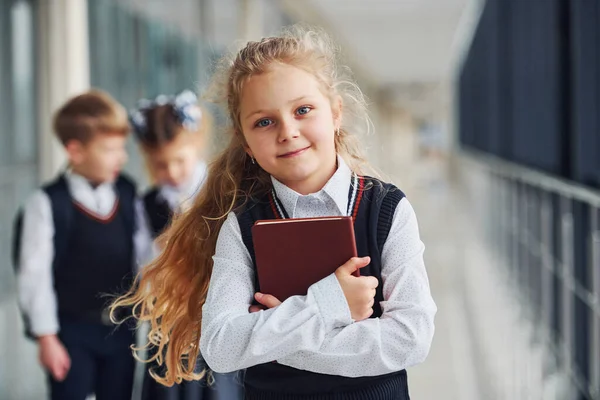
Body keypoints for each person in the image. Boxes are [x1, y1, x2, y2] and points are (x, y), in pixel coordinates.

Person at [112, 25, 437, 399]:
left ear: (335, 113)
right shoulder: (241, 225)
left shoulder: (388, 209)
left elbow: (410, 340)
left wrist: (274, 335)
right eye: (264, 122)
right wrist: (330, 302)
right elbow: (220, 346)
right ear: (246, 143)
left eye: (303, 110)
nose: (288, 131)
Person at [17, 89, 138, 400]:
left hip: (120, 330)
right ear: (76, 151)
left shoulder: (127, 193)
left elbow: (144, 254)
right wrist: (47, 338)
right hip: (71, 333)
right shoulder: (48, 203)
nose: (122, 157)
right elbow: (34, 275)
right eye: (111, 149)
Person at [130, 90, 243, 400]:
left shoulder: (220, 191)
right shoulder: (148, 204)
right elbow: (142, 265)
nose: (172, 172)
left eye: (179, 160)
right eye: (160, 165)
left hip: (216, 312)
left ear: (196, 145)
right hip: (169, 316)